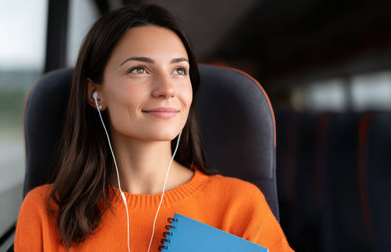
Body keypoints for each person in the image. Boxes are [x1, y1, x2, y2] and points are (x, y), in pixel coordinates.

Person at [15, 4, 293, 252]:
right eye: (139, 70)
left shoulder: (239, 206)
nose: (167, 88)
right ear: (95, 93)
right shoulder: (44, 212)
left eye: (179, 71)